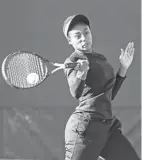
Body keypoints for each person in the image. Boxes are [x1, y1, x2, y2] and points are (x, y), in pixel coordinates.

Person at [63, 14, 140, 160]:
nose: (84, 38)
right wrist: (82, 73)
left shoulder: (100, 58)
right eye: (77, 35)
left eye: (86, 32)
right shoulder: (73, 60)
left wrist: (123, 67)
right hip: (85, 128)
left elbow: (109, 95)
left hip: (107, 128)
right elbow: (76, 92)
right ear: (69, 40)